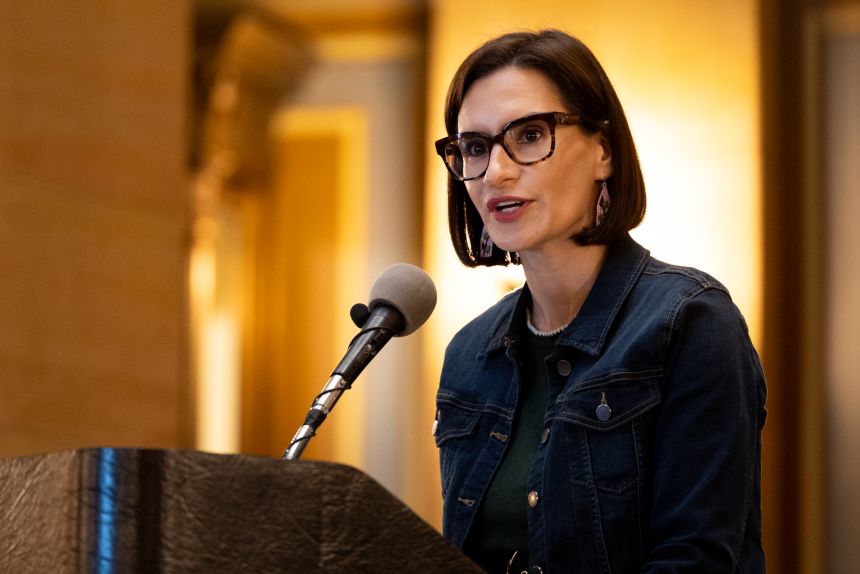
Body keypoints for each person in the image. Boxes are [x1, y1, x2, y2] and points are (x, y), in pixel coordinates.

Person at [432, 29, 766, 574]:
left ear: (604, 152)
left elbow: (697, 559)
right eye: (474, 147)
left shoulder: (689, 320)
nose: (496, 171)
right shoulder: (470, 353)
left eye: (531, 135)